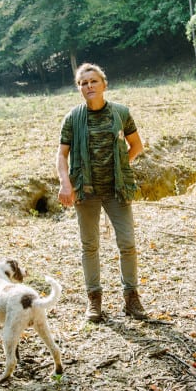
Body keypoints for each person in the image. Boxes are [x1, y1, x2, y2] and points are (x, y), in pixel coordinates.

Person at [56, 63, 147, 322]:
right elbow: (61, 154)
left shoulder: (120, 113)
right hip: (85, 191)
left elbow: (136, 145)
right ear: (79, 88)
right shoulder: (73, 118)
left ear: (104, 84)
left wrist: (120, 165)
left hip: (117, 190)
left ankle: (131, 297)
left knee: (127, 243)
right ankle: (94, 300)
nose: (89, 86)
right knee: (89, 246)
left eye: (93, 81)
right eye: (83, 83)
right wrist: (65, 183)